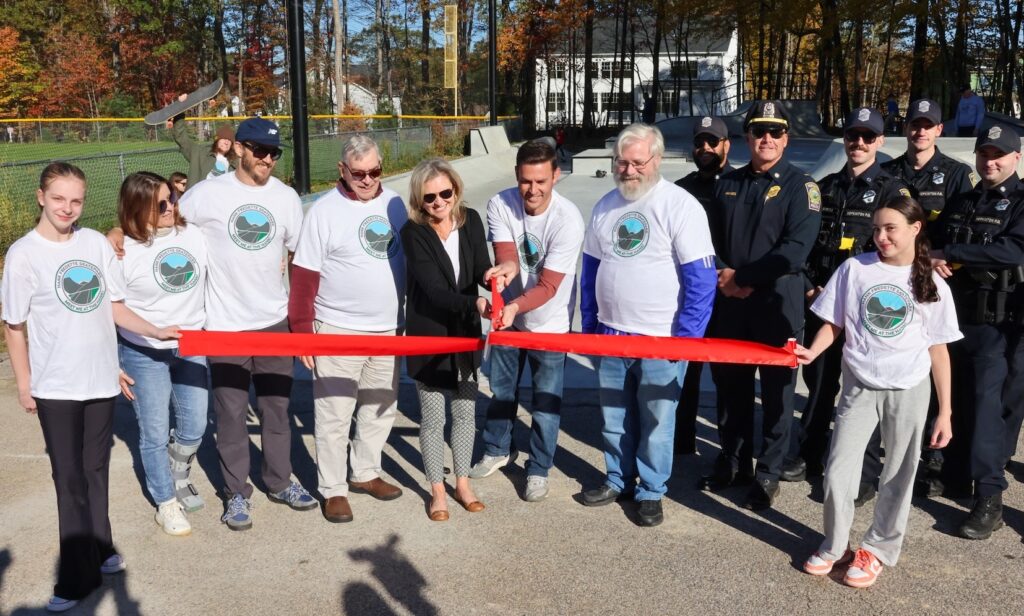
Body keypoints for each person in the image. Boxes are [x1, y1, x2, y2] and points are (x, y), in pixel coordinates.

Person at [2, 163, 179, 612]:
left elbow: (113, 307)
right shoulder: (24, 255)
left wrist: (154, 330)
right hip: (56, 387)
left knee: (96, 471)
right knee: (69, 480)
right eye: (59, 198)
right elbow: (14, 326)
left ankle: (101, 548)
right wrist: (24, 383)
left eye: (76, 200)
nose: (67, 208)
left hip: (100, 381)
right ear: (41, 197)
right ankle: (76, 579)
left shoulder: (95, 244)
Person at [799, 197, 960, 589]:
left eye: (891, 229)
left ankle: (877, 549)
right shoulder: (855, 268)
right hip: (859, 385)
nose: (881, 237)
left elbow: (938, 350)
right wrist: (813, 352)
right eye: (876, 229)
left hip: (909, 388)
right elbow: (834, 322)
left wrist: (945, 412)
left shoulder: (932, 281)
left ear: (915, 229)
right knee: (838, 471)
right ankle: (836, 544)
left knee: (898, 475)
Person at [177, 117, 314, 530]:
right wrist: (118, 235)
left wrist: (300, 318)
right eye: (260, 150)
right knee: (231, 415)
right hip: (224, 325)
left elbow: (300, 256)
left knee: (277, 410)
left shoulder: (286, 198)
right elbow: (164, 223)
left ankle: (279, 481)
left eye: (275, 153)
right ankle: (236, 492)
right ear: (239, 148)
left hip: (274, 322)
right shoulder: (207, 194)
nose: (268, 159)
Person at [580, 123, 717, 527]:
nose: (629, 170)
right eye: (621, 162)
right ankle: (617, 478)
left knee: (658, 421)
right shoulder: (605, 206)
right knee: (614, 418)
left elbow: (701, 278)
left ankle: (652, 489)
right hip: (610, 333)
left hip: (662, 338)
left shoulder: (680, 206)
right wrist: (590, 327)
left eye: (638, 162)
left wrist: (687, 340)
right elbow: (590, 271)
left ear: (656, 160)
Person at [703, 100, 821, 510]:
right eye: (758, 131)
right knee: (730, 389)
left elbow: (794, 251)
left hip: (777, 306)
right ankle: (733, 463)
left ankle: (768, 473)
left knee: (777, 397)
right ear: (746, 137)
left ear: (786, 139)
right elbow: (708, 241)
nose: (766, 138)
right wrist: (725, 274)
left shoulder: (802, 187)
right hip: (731, 305)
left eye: (775, 131)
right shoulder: (727, 183)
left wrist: (742, 279)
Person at [783, 107, 910, 488]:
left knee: (862, 392)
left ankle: (860, 470)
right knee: (819, 383)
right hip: (823, 301)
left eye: (868, 137)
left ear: (880, 141)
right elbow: (804, 245)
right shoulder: (823, 188)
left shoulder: (893, 191)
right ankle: (809, 453)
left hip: (866, 309)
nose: (859, 143)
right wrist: (810, 287)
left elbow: (898, 252)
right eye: (853, 135)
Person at [289, 135, 407, 524]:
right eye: (359, 173)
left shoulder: (395, 205)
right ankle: (333, 488)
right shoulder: (324, 212)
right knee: (334, 415)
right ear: (343, 170)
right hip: (338, 328)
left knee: (380, 408)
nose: (368, 179)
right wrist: (302, 332)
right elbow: (303, 277)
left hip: (389, 329)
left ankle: (365, 472)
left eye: (375, 171)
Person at [468, 139, 584, 502]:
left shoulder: (568, 220)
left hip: (550, 323)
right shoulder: (500, 203)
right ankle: (498, 449)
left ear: (556, 176)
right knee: (501, 391)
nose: (532, 190)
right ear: (516, 175)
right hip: (510, 319)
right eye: (525, 181)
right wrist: (505, 269)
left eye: (540, 181)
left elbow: (548, 286)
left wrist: (515, 306)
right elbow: (507, 254)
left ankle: (538, 468)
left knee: (545, 403)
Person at [875, 98, 977, 498]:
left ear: (939, 130)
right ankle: (890, 450)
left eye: (927, 125)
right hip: (895, 282)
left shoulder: (957, 174)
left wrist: (939, 256)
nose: (920, 131)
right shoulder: (888, 173)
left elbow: (963, 226)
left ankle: (935, 457)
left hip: (938, 283)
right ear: (906, 129)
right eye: (914, 124)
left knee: (938, 368)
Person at [930, 121, 1024, 539]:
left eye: (998, 155)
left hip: (995, 323)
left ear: (1016, 157)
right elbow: (932, 240)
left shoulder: (1020, 202)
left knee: (987, 409)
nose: (990, 161)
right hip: (952, 318)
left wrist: (951, 253)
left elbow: (1013, 250)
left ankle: (990, 497)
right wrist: (933, 256)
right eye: (984, 154)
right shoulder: (963, 200)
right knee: (953, 400)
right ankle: (954, 475)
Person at [401, 158, 498, 521]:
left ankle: (462, 483)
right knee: (432, 419)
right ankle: (437, 491)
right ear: (419, 200)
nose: (439, 202)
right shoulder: (413, 232)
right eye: (430, 197)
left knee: (465, 414)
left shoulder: (470, 219)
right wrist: (476, 302)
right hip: (429, 336)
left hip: (465, 334)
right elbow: (434, 291)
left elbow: (480, 268)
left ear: (456, 189)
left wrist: (494, 276)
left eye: (445, 193)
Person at [115, 172, 209, 537]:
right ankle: (166, 501)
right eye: (160, 204)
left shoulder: (194, 235)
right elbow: (112, 307)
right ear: (138, 208)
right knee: (153, 432)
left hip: (191, 345)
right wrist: (151, 333)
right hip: (143, 351)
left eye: (172, 198)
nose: (170, 207)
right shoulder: (122, 250)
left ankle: (179, 471)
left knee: (195, 424)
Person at [673, 115, 732, 456]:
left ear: (726, 145)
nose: (705, 148)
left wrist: (726, 271)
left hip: (728, 293)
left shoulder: (740, 184)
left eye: (713, 141)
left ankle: (728, 452)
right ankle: (681, 442)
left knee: (727, 377)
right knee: (685, 372)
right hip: (690, 295)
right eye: (699, 142)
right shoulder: (680, 190)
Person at [166, 94, 235, 190]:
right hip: (200, 197)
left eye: (229, 141)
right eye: (224, 139)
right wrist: (180, 108)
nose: (226, 142)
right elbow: (181, 137)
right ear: (217, 140)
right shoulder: (199, 153)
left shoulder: (234, 163)